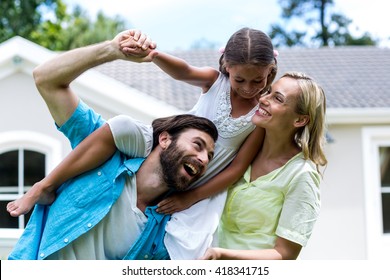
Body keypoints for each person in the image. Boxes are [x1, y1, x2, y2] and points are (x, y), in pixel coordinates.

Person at [8, 27, 278, 259]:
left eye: (258, 80)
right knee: (123, 125)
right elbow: (46, 79)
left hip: (196, 192)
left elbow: (236, 168)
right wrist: (129, 52)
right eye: (197, 145)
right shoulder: (107, 154)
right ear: (227, 67)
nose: (248, 88)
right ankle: (44, 185)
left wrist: (191, 197)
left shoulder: (166, 232)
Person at [200, 72, 328, 260]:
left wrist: (221, 254)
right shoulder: (241, 148)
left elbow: (285, 254)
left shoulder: (301, 175)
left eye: (277, 98)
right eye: (268, 92)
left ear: (300, 120)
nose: (262, 99)